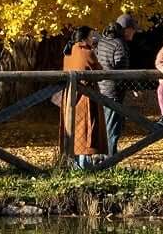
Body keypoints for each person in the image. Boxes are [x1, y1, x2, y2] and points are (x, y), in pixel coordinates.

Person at [91, 12, 138, 160]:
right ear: (126, 29)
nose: (134, 32)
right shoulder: (119, 44)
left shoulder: (103, 41)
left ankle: (101, 156)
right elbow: (121, 72)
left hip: (100, 88)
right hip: (113, 91)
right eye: (133, 29)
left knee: (105, 125)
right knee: (113, 127)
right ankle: (110, 160)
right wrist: (133, 85)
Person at [56, 27, 102, 167]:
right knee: (87, 130)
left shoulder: (68, 52)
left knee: (72, 128)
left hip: (70, 96)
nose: (92, 39)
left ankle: (72, 163)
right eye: (90, 36)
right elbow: (99, 71)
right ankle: (84, 165)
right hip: (85, 96)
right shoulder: (87, 52)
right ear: (84, 38)